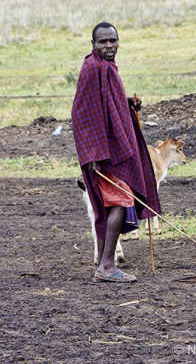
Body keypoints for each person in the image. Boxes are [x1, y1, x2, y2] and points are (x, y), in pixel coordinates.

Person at [71, 22, 161, 283]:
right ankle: (107, 267)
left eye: (113, 40)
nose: (109, 46)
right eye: (103, 42)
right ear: (93, 45)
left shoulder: (106, 67)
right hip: (101, 156)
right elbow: (82, 115)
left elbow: (108, 104)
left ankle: (104, 262)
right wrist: (90, 155)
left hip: (111, 152)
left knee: (116, 203)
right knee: (120, 202)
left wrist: (129, 105)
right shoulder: (92, 69)